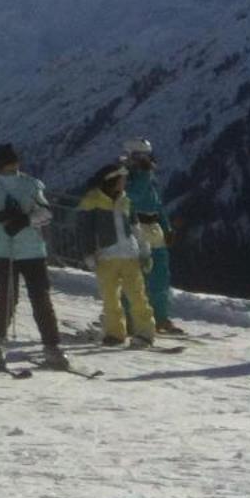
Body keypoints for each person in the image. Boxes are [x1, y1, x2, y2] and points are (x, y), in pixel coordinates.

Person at [0, 142, 68, 370]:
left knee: (12, 297)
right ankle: (50, 347)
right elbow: (45, 214)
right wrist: (24, 219)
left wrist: (3, 218)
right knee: (36, 298)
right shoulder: (30, 184)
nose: (14, 164)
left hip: (6, 250)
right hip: (28, 249)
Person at [77, 162, 155, 348]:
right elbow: (85, 231)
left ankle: (144, 333)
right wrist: (88, 253)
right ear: (112, 180)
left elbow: (136, 228)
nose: (124, 183)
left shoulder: (125, 200)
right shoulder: (92, 201)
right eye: (122, 179)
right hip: (107, 256)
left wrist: (144, 250)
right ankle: (115, 333)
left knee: (137, 296)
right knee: (110, 298)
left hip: (129, 255)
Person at [120, 137, 182, 336]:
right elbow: (133, 196)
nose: (144, 159)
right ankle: (130, 318)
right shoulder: (125, 177)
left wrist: (167, 228)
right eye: (140, 155)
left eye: (146, 155)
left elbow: (158, 206)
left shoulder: (148, 178)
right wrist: (143, 175)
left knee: (160, 277)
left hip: (155, 231)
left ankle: (160, 317)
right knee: (135, 278)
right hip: (134, 230)